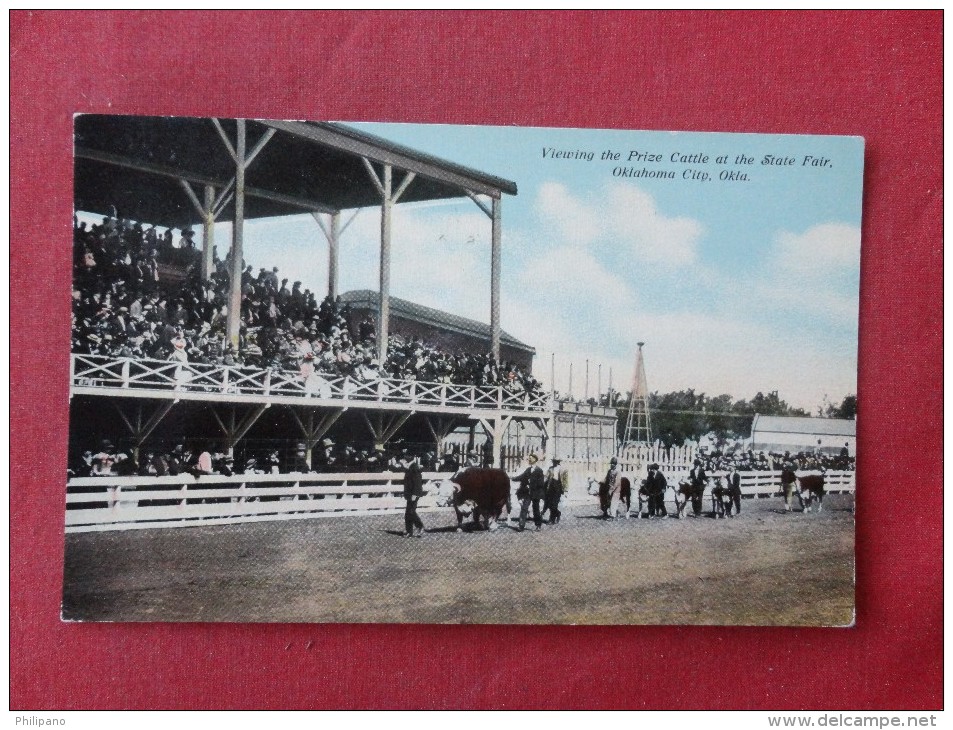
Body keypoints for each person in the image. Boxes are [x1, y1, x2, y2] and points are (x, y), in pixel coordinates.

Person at [513, 454, 546, 531]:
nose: (529, 460)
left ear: (535, 460)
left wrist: (530, 485)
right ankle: (521, 526)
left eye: (531, 459)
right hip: (528, 493)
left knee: (536, 510)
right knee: (524, 508)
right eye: (529, 459)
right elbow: (521, 477)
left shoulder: (539, 471)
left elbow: (541, 483)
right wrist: (512, 478)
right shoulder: (528, 470)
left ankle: (538, 525)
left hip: (536, 494)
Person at [401, 452, 424, 538]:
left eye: (407, 455)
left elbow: (417, 482)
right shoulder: (410, 466)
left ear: (411, 457)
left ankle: (419, 526)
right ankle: (409, 531)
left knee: (411, 512)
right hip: (409, 493)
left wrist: (415, 494)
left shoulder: (414, 467)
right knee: (408, 513)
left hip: (413, 493)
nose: (405, 456)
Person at [543, 458, 565, 525]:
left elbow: (565, 480)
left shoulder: (562, 469)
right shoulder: (550, 468)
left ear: (558, 462)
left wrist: (565, 490)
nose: (554, 463)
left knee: (554, 504)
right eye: (553, 461)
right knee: (550, 504)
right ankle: (557, 513)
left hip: (558, 488)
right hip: (550, 487)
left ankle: (551, 519)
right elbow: (546, 477)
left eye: (556, 461)